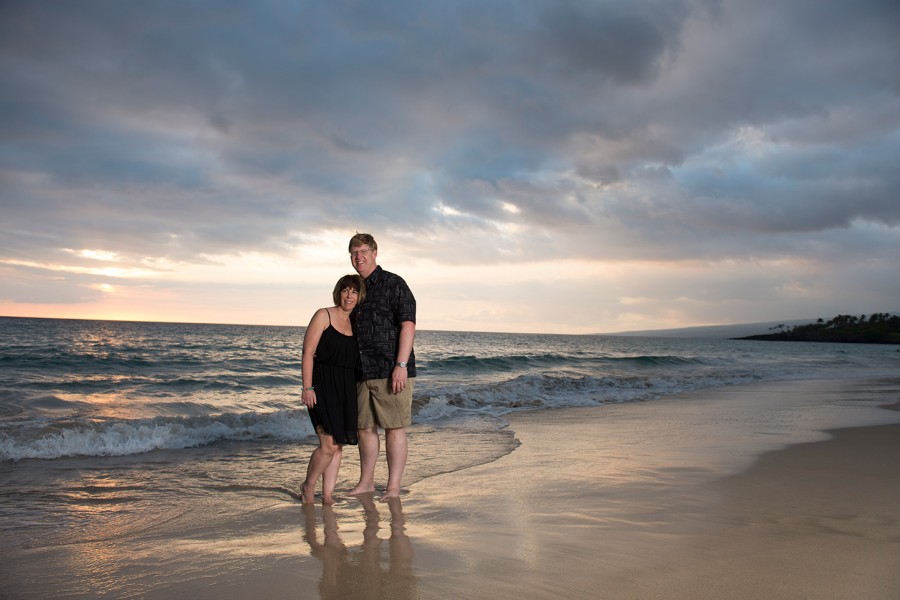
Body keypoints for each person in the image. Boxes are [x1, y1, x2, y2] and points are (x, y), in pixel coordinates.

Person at [346, 233, 416, 500]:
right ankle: (366, 483)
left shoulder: (393, 284)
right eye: (354, 252)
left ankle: (393, 487)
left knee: (394, 428)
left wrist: (401, 365)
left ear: (375, 252)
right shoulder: (352, 288)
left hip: (390, 369)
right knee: (365, 428)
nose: (359, 257)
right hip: (361, 371)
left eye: (363, 251)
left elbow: (408, 324)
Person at [300, 274, 366, 504]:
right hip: (322, 385)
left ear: (359, 297)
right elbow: (308, 353)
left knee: (338, 445)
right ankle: (308, 487)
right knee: (328, 444)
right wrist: (307, 387)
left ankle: (327, 495)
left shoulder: (355, 323)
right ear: (338, 292)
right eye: (346, 290)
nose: (349, 295)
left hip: (346, 388)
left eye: (354, 292)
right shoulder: (323, 315)